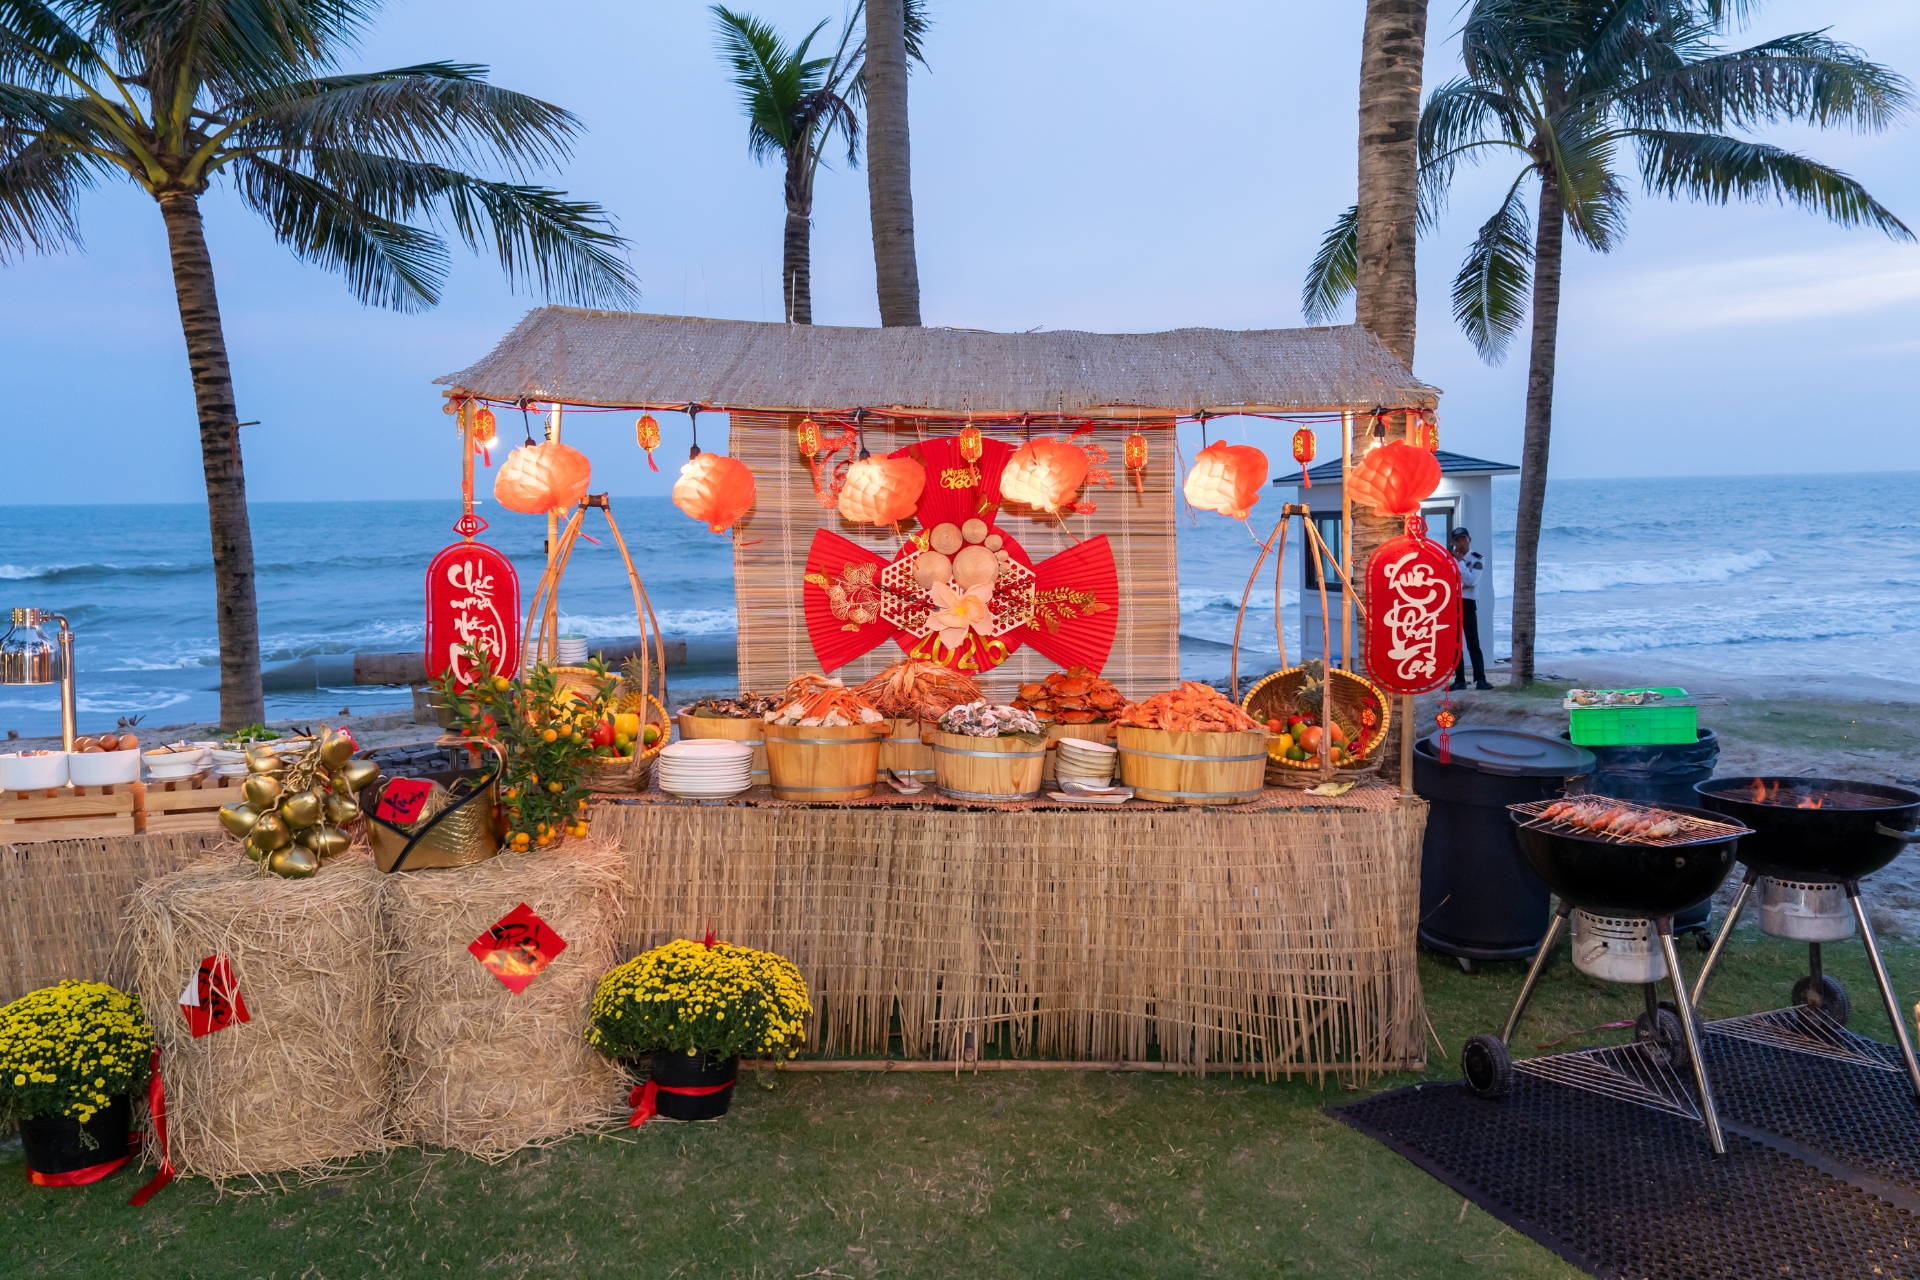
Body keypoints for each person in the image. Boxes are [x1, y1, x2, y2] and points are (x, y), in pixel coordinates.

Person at [1449, 527, 1490, 690]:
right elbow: (1448, 580)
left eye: (1463, 539)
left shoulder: (1477, 558)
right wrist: (1460, 584)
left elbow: (1472, 580)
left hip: (1467, 603)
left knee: (1473, 642)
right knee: (1455, 643)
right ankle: (1459, 679)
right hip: (1453, 602)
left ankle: (1480, 679)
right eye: (1457, 540)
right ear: (1454, 542)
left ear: (1469, 540)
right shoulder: (1448, 558)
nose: (1461, 543)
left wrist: (1460, 563)